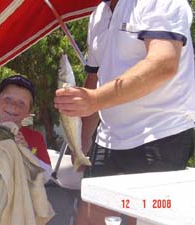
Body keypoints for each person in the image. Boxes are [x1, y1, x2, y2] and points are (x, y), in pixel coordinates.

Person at [54, 0, 195, 224]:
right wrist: (81, 140)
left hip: (160, 135)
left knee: (140, 218)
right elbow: (94, 78)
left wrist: (95, 99)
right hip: (108, 137)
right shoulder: (98, 15)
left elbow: (164, 62)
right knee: (88, 218)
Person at [0, 75, 52, 225]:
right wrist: (1, 162)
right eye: (8, 99)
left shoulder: (35, 138)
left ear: (29, 112)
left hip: (27, 214)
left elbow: (46, 175)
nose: (14, 106)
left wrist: (25, 151)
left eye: (21, 103)